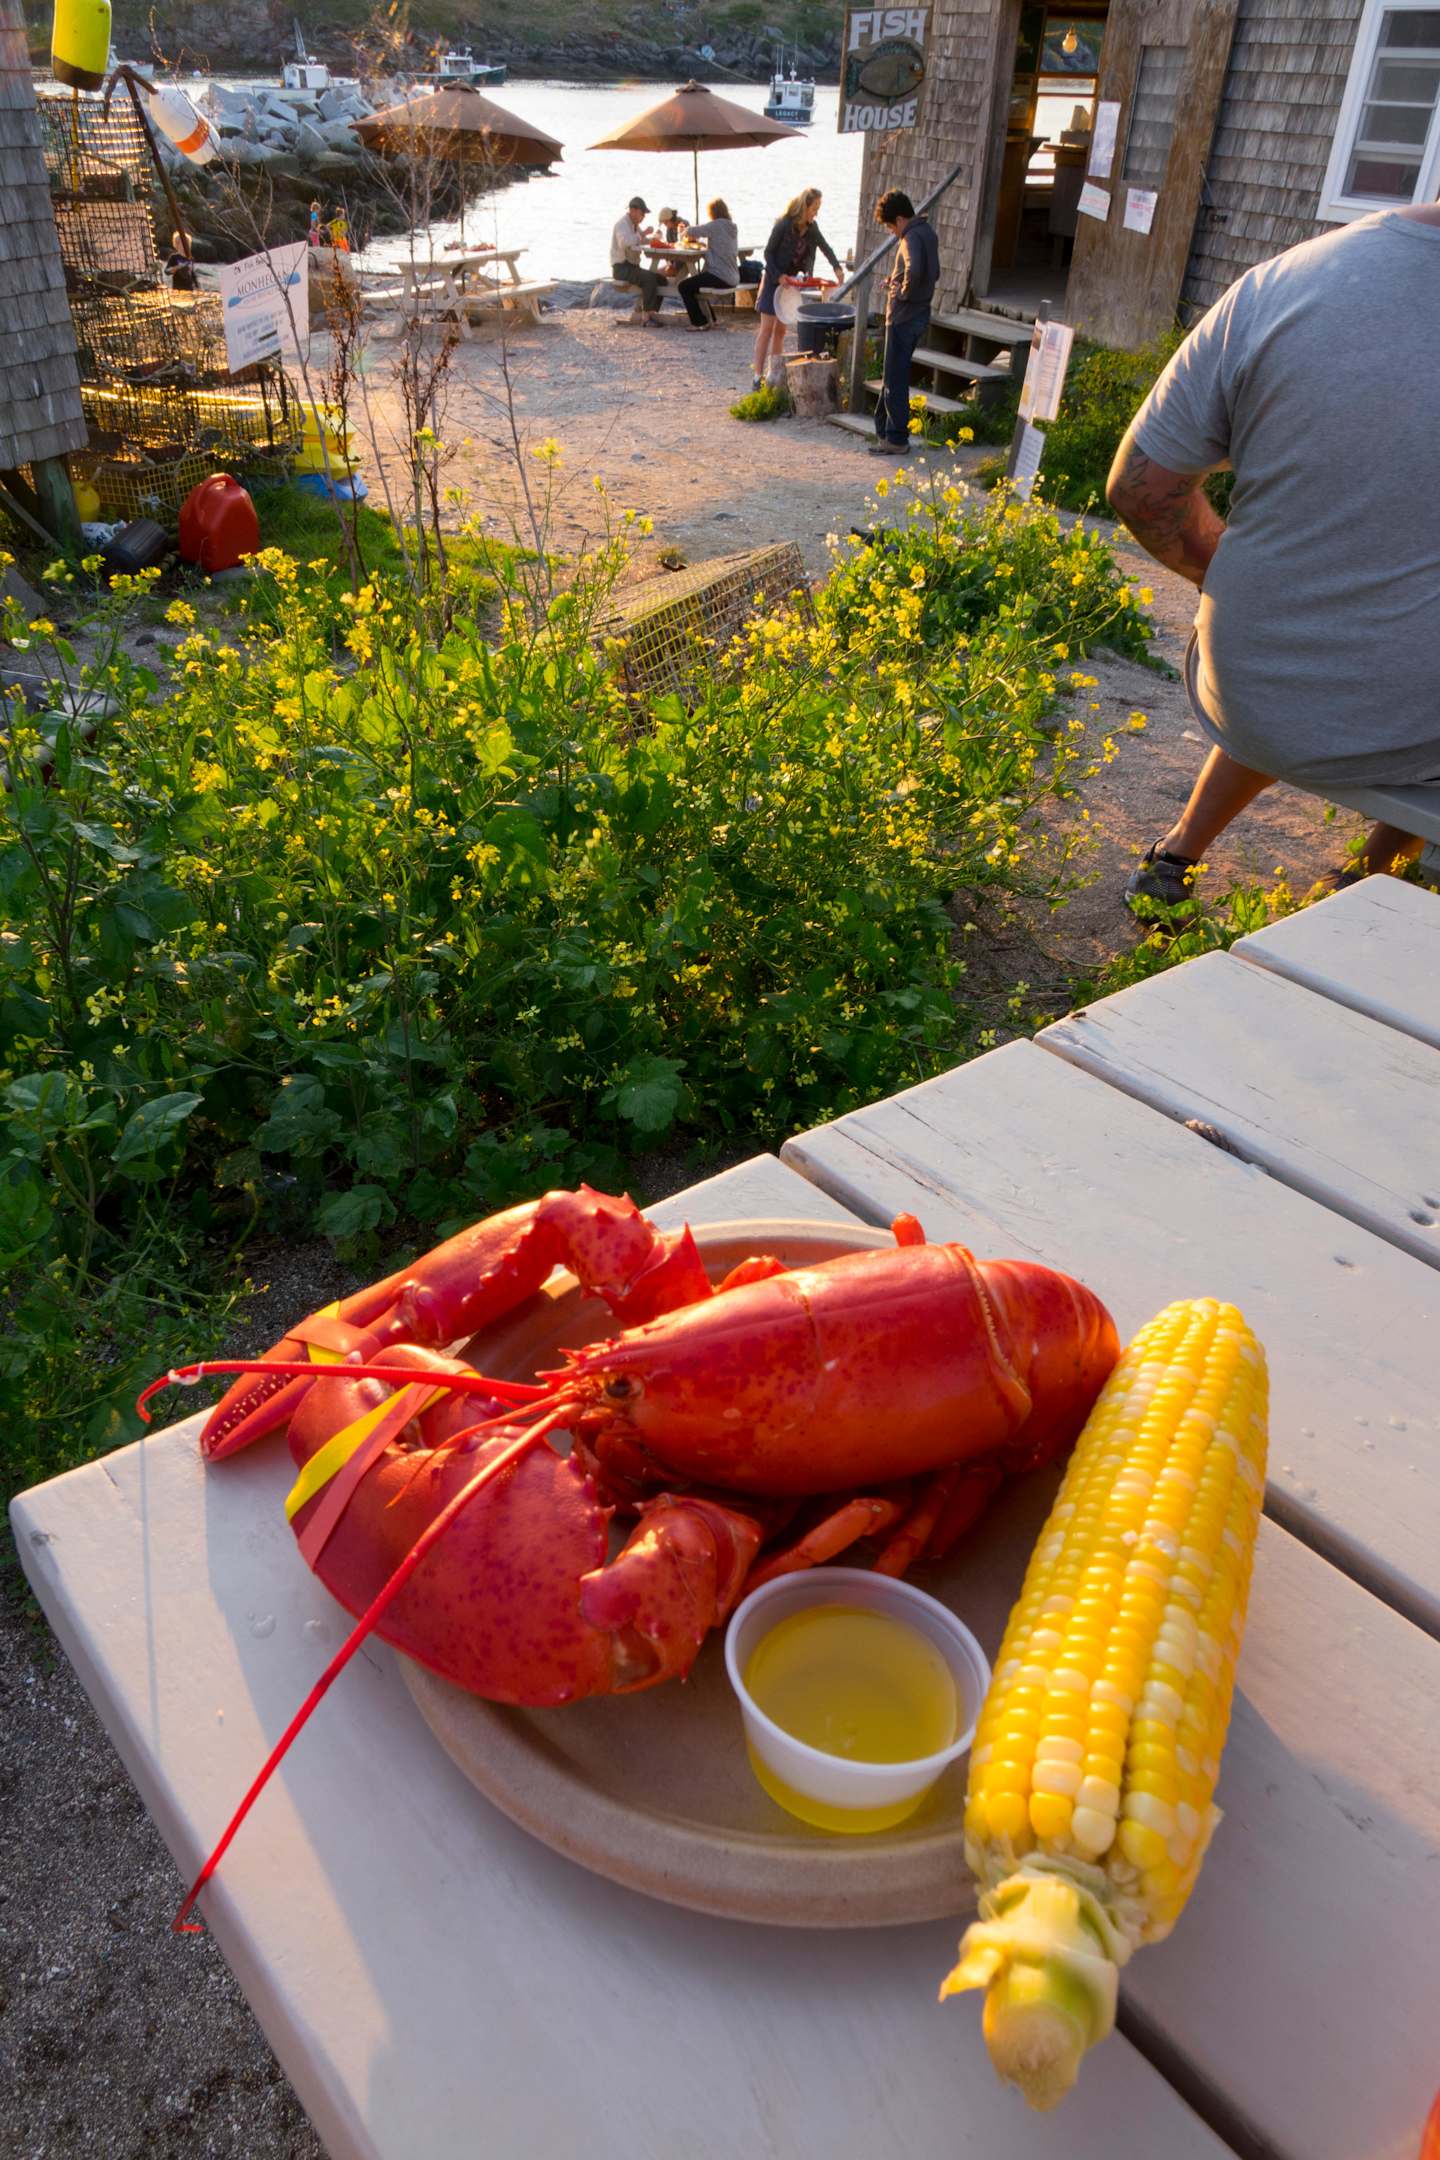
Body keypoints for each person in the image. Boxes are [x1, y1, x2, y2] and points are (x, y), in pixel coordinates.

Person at [1109, 200, 1440, 911]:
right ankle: (1368, 878)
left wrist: (1223, 576)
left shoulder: (1284, 281)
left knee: (1321, 612)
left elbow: (1141, 492)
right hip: (1404, 722)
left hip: (1246, 683)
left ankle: (1175, 857)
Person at [752, 186, 842, 391]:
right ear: (805, 207)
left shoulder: (812, 228)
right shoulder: (784, 225)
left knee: (781, 330)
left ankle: (773, 374)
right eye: (815, 208)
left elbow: (826, 247)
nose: (816, 212)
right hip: (774, 278)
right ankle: (757, 377)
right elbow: (768, 253)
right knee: (766, 329)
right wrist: (778, 276)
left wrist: (837, 267)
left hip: (793, 283)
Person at [871, 188, 939, 456]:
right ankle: (884, 430)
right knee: (893, 375)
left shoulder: (910, 237)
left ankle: (897, 438)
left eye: (890, 226)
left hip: (903, 315)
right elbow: (935, 272)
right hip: (921, 312)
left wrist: (902, 291)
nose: (891, 232)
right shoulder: (928, 233)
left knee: (894, 378)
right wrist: (898, 281)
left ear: (900, 220)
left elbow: (916, 269)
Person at [677, 196, 739, 331]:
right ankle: (712, 319)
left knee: (684, 286)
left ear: (713, 213)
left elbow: (692, 231)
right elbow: (719, 246)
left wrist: (683, 231)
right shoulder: (731, 227)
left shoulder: (716, 225)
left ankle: (699, 322)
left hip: (720, 275)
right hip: (733, 277)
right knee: (697, 283)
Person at [611, 194, 663, 325]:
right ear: (633, 210)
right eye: (642, 213)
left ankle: (651, 312)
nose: (643, 217)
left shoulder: (634, 225)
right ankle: (647, 317)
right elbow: (625, 242)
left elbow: (640, 240)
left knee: (660, 279)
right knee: (649, 279)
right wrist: (643, 233)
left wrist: (653, 239)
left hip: (632, 266)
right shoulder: (622, 224)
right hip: (621, 268)